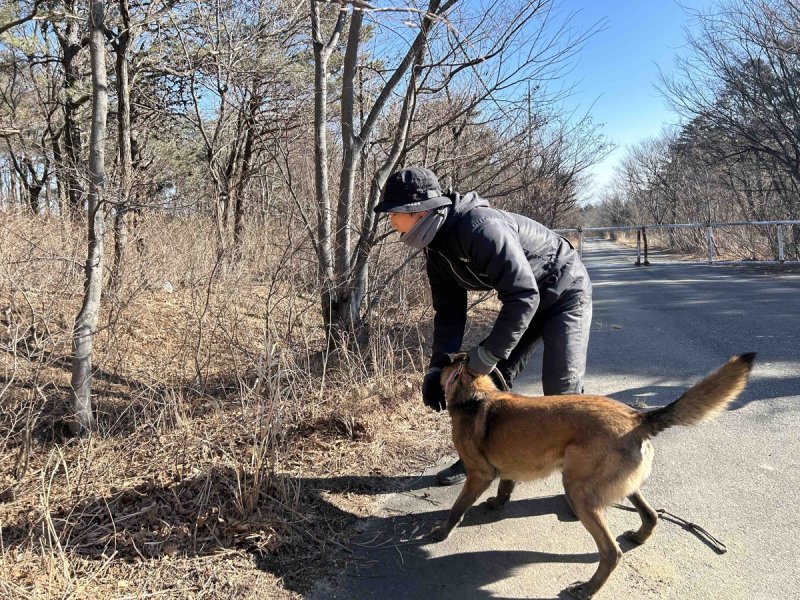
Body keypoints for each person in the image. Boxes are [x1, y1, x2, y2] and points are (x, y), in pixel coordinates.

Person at [374, 167, 593, 486]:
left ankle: (582, 481)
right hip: (526, 300)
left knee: (561, 389)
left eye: (394, 213)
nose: (391, 221)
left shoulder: (480, 227)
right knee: (486, 382)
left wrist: (488, 354)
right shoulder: (435, 248)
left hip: (564, 291)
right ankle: (478, 458)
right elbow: (448, 313)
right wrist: (436, 369)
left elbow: (523, 294)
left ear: (418, 211)